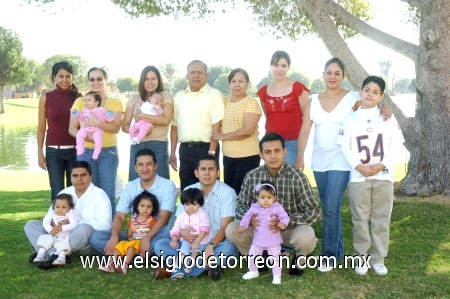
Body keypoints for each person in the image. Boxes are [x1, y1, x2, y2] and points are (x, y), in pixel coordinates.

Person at [298, 58, 392, 272]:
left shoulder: (352, 97)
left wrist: (385, 105)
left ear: (344, 77)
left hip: (342, 160)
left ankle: (329, 256)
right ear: (323, 74)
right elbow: (305, 130)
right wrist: (300, 157)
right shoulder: (313, 100)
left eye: (337, 73)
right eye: (329, 72)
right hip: (319, 161)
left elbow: (371, 107)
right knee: (329, 209)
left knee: (331, 207)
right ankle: (339, 251)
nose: (332, 76)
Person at [225, 132, 321, 277]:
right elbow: (241, 205)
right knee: (232, 229)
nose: (273, 156)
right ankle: (259, 256)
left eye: (277, 151)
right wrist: (250, 219)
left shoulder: (297, 177)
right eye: (268, 152)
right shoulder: (252, 175)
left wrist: (285, 221)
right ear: (261, 155)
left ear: (284, 152)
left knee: (306, 236)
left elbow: (314, 211)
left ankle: (298, 259)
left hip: (289, 229)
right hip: (260, 229)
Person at [338, 76, 404, 276]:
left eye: (375, 92)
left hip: (383, 175)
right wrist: (359, 166)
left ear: (381, 96)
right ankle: (362, 258)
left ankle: (378, 258)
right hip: (359, 176)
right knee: (360, 218)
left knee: (381, 218)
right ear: (360, 91)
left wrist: (382, 164)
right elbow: (345, 146)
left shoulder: (387, 116)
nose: (370, 94)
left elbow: (395, 144)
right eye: (367, 90)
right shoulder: (350, 118)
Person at [153, 155, 238, 281]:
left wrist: (211, 245)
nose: (207, 173)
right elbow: (179, 222)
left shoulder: (227, 192)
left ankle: (174, 271)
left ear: (218, 173)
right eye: (203, 169)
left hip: (215, 243)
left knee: (229, 249)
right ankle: (206, 266)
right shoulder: (189, 190)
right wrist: (182, 233)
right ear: (196, 173)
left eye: (211, 169)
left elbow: (226, 227)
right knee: (160, 245)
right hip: (188, 243)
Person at [90, 148, 177, 259]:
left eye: (149, 164)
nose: (145, 168)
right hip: (135, 235)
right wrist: (114, 236)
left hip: (157, 235)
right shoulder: (130, 186)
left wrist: (147, 238)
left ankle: (127, 253)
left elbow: (164, 218)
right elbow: (120, 216)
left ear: (155, 166)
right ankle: (139, 253)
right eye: (140, 165)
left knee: (170, 228)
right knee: (96, 238)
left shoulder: (167, 185)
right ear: (135, 168)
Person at [24, 161, 112, 269]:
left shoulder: (100, 195)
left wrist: (73, 224)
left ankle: (50, 253)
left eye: (83, 175)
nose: (79, 179)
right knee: (31, 225)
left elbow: (105, 225)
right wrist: (53, 224)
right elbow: (51, 214)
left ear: (90, 176)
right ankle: (55, 254)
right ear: (70, 177)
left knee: (84, 228)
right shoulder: (64, 193)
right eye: (75, 176)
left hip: (82, 241)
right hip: (59, 235)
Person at [69, 67, 124, 216]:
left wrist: (97, 123)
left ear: (106, 80)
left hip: (108, 153)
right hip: (85, 153)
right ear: (88, 82)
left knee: (107, 195)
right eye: (92, 79)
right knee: (86, 193)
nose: (96, 82)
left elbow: (115, 128)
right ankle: (87, 232)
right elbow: (72, 128)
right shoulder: (81, 101)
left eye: (99, 79)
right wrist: (89, 139)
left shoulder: (115, 103)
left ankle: (110, 234)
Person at [170, 60, 224, 191]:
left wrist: (211, 153)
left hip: (207, 149)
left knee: (210, 191)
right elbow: (174, 126)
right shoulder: (179, 97)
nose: (196, 75)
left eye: (200, 72)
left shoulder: (214, 95)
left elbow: (216, 126)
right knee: (188, 192)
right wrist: (172, 152)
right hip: (185, 151)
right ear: (187, 75)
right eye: (192, 72)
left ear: (207, 75)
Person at [210, 68, 261, 195]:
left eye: (241, 81)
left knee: (243, 194)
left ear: (247, 84)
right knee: (229, 193)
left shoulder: (251, 102)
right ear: (229, 83)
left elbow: (248, 130)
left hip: (248, 156)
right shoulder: (224, 101)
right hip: (228, 156)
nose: (237, 85)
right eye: (233, 81)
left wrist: (223, 136)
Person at [37, 61, 81, 201]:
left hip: (75, 151)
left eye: (68, 76)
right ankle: (57, 222)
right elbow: (41, 127)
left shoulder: (79, 98)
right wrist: (40, 153)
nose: (64, 80)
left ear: (72, 77)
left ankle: (74, 223)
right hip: (53, 152)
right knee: (57, 193)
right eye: (60, 76)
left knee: (74, 192)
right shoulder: (46, 98)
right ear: (54, 77)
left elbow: (84, 125)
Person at [257, 51, 310, 167]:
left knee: (286, 182)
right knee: (272, 183)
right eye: (276, 65)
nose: (279, 69)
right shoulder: (263, 92)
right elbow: (269, 118)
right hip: (270, 145)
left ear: (288, 67)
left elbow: (307, 122)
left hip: (292, 143)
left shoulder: (298, 89)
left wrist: (301, 156)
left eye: (283, 66)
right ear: (270, 66)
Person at [122, 66, 173, 181]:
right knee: (136, 184)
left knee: (161, 183)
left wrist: (141, 116)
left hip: (158, 144)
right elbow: (125, 125)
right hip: (137, 144)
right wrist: (138, 131)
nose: (150, 82)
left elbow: (166, 120)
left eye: (153, 79)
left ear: (158, 80)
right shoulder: (134, 98)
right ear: (142, 81)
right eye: (147, 79)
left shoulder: (164, 96)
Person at [238, 181, 290, 285]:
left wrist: (282, 224)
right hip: (258, 240)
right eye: (262, 197)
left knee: (275, 259)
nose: (266, 200)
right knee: (252, 255)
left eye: (269, 197)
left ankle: (276, 276)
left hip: (273, 241)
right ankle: (253, 271)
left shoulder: (277, 207)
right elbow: (247, 216)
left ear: (274, 198)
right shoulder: (254, 207)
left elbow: (285, 217)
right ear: (257, 198)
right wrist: (243, 225)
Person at [99, 191, 159, 274]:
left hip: (142, 243)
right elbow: (130, 233)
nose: (145, 209)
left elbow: (153, 233)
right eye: (142, 206)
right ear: (137, 206)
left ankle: (125, 265)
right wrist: (129, 237)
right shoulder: (132, 219)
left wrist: (145, 239)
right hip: (133, 241)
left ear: (153, 208)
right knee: (119, 245)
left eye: (149, 207)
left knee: (130, 247)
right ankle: (111, 263)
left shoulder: (152, 220)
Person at [169, 188, 212, 280]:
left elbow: (204, 230)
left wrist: (196, 242)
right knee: (182, 252)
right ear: (183, 204)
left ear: (200, 204)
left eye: (194, 204)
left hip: (202, 240)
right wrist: (174, 240)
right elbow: (175, 228)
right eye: (187, 204)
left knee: (195, 251)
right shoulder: (181, 216)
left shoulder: (203, 215)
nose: (190, 207)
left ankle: (189, 266)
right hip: (186, 240)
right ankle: (175, 269)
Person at [33, 193, 78, 266]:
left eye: (63, 207)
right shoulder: (52, 212)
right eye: (57, 207)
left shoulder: (70, 213)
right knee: (44, 239)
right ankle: (41, 254)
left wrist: (61, 228)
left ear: (69, 207)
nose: (60, 209)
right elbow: (45, 222)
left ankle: (61, 258)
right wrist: (51, 230)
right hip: (53, 234)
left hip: (65, 236)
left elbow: (74, 224)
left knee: (63, 244)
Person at [75, 92, 114, 160]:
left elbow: (106, 119)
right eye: (85, 100)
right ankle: (80, 146)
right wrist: (77, 114)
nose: (86, 102)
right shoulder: (84, 110)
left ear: (96, 102)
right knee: (79, 135)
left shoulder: (101, 110)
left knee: (98, 139)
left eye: (89, 100)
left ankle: (97, 150)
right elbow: (80, 118)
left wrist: (109, 115)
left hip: (97, 129)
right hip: (85, 129)